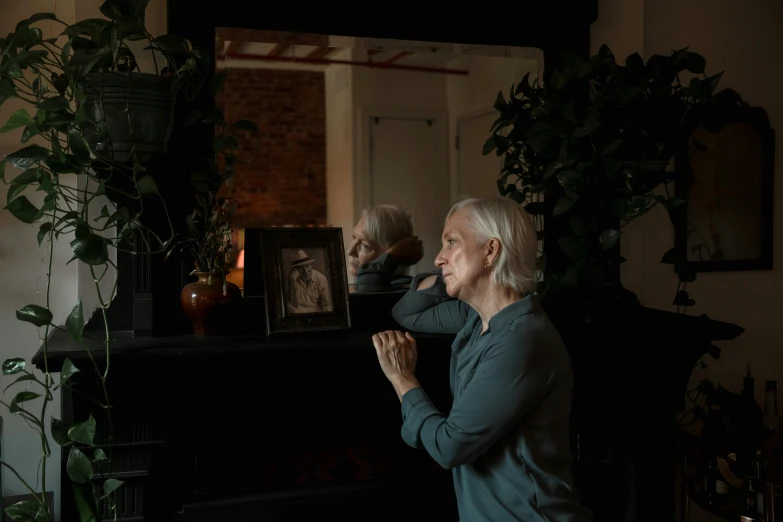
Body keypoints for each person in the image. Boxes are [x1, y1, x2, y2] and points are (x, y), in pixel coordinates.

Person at [371, 196, 591, 522]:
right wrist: (453, 271)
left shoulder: (522, 339)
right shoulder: (473, 317)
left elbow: (450, 448)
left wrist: (402, 378)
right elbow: (406, 312)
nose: (438, 257)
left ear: (490, 251)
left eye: (451, 242)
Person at [347, 204, 424, 293]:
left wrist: (392, 255)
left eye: (365, 246)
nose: (350, 251)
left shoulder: (404, 291)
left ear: (399, 251)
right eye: (354, 237)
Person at [286, 249, 331, 314]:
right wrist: (293, 281)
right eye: (300, 268)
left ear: (311, 265)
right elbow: (293, 306)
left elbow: (327, 305)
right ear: (295, 270)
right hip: (299, 317)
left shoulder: (321, 278)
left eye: (307, 266)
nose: (306, 271)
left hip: (318, 316)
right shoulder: (292, 279)